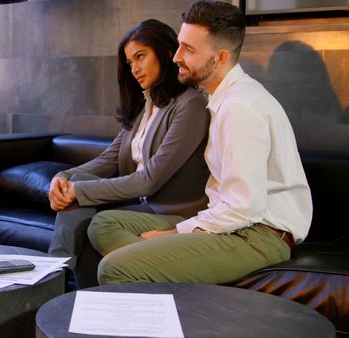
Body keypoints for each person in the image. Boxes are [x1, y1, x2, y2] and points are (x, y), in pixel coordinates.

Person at [88, 0, 312, 285]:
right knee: (104, 224)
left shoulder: (239, 108)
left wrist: (175, 235)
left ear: (219, 58)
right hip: (230, 225)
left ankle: (147, 278)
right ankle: (156, 267)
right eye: (180, 44)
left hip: (257, 236)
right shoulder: (221, 100)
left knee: (113, 269)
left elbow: (242, 208)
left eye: (189, 50)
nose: (176, 57)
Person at [47, 19, 210, 288]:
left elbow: (149, 180)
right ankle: (65, 284)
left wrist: (78, 190)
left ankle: (53, 281)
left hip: (171, 212)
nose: (134, 68)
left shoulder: (190, 105)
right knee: (76, 197)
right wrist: (63, 177)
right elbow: (109, 159)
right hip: (140, 204)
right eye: (129, 62)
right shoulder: (144, 105)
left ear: (167, 53)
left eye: (140, 57)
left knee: (81, 200)